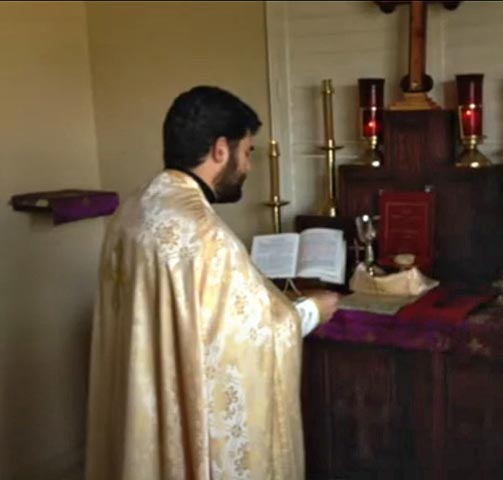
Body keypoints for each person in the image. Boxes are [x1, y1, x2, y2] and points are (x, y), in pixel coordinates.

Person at [85, 85, 340, 479]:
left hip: (141, 410)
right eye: (247, 152)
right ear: (221, 150)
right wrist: (311, 310)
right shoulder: (204, 234)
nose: (248, 167)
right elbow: (253, 338)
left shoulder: (133, 209)